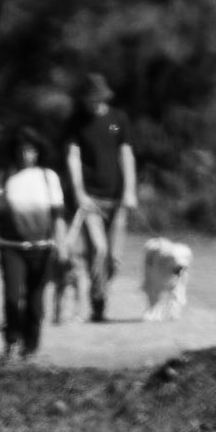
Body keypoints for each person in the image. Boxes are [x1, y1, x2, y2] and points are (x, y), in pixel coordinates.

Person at [0, 125, 69, 361]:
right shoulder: (3, 177)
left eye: (30, 150)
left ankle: (31, 346)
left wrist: (62, 246)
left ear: (38, 152)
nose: (26, 155)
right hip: (11, 247)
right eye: (21, 150)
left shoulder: (48, 177)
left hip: (42, 248)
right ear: (14, 151)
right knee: (12, 297)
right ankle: (12, 341)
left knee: (35, 301)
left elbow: (58, 216)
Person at [65, 72, 138, 322]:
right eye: (90, 98)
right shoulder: (77, 123)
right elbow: (73, 157)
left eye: (97, 98)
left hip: (117, 200)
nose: (93, 103)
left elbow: (125, 153)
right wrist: (79, 193)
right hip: (91, 200)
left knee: (114, 259)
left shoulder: (116, 120)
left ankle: (101, 290)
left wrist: (130, 191)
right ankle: (98, 302)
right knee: (98, 249)